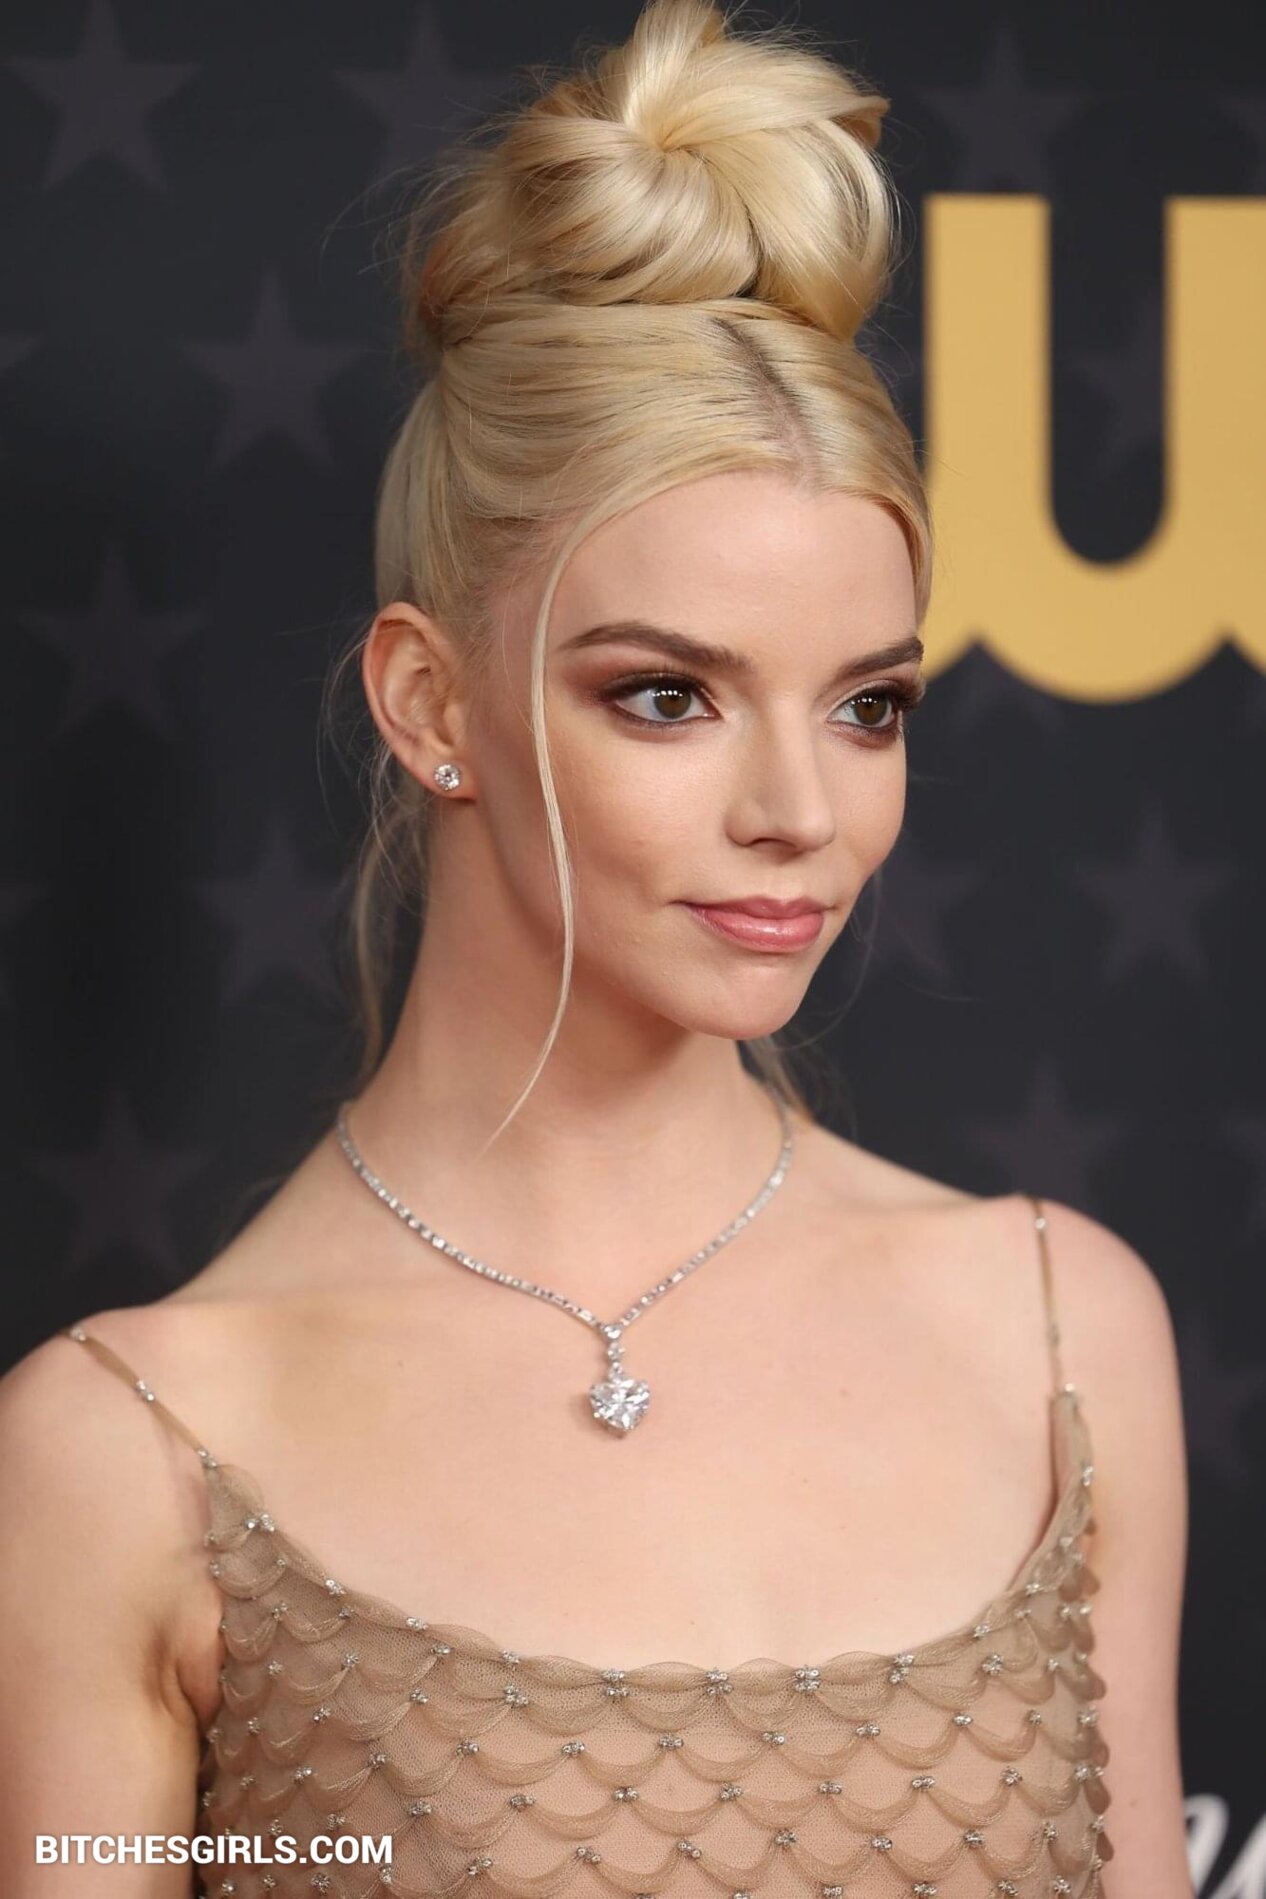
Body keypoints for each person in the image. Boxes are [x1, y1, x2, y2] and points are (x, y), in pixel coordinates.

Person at [0, 0, 1191, 1892]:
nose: (799, 808)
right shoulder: (127, 1449)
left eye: (867, 706)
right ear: (431, 701)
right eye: (666, 696)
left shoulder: (1058, 1328)